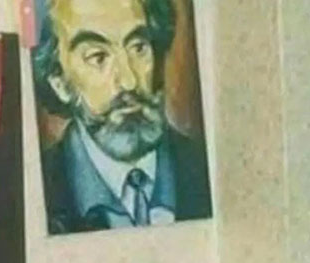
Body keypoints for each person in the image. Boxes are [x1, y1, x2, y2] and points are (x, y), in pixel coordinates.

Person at [32, 0, 212, 234]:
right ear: (60, 83)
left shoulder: (207, 168)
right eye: (98, 57)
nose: (129, 81)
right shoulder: (38, 191)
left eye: (138, 48)